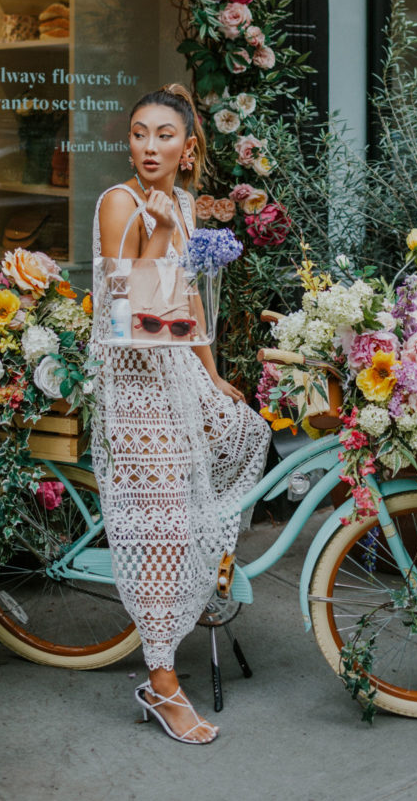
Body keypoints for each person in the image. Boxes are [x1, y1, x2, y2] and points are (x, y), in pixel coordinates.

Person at [91, 83, 270, 745]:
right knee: (161, 526)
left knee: (247, 433)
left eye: (163, 135)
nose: (148, 146)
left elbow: (185, 301)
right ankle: (161, 683)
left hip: (175, 366)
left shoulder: (189, 204)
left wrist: (213, 375)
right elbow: (121, 310)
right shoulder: (121, 202)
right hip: (132, 376)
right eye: (139, 133)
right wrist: (157, 229)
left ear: (187, 148)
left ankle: (202, 575)